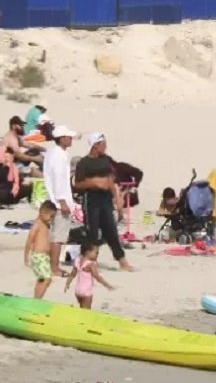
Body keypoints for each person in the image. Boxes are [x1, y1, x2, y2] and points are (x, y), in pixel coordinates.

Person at [75, 133, 134, 272]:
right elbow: (77, 183)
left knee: (111, 230)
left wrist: (118, 201)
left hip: (106, 199)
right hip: (91, 199)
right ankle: (89, 261)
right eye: (103, 144)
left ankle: (122, 261)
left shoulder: (105, 160)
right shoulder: (83, 163)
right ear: (95, 145)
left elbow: (111, 181)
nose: (105, 147)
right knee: (92, 232)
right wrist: (93, 183)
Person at [43, 126, 77, 277]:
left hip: (54, 199)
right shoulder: (58, 155)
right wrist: (62, 201)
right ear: (62, 138)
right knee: (58, 237)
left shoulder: (54, 152)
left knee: (55, 235)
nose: (70, 139)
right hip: (58, 201)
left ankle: (52, 265)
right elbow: (58, 179)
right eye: (68, 137)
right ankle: (55, 268)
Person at [64, 242, 115, 309]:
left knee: (82, 308)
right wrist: (107, 285)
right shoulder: (90, 264)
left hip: (77, 291)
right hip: (86, 292)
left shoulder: (77, 261)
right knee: (87, 311)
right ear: (88, 252)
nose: (97, 255)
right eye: (96, 253)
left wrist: (67, 284)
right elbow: (97, 277)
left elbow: (72, 274)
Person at [24, 201, 56, 299]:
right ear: (42, 213)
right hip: (38, 256)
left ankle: (36, 299)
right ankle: (37, 299)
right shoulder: (37, 225)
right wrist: (26, 256)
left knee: (42, 279)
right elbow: (29, 240)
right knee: (47, 279)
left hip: (44, 257)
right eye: (51, 216)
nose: (51, 219)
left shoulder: (45, 225)